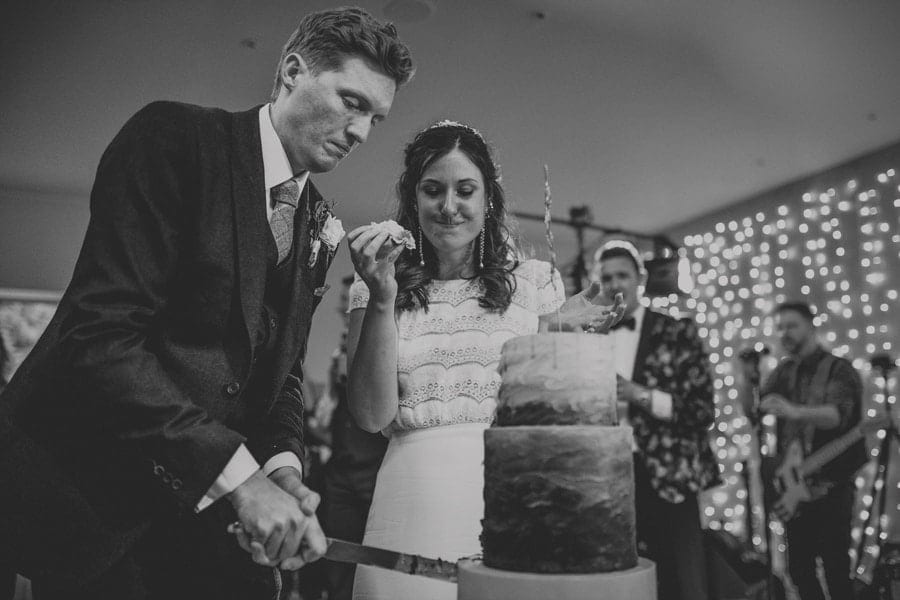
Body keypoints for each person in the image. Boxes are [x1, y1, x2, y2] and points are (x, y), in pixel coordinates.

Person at [0, 8, 414, 599]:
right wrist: (243, 481)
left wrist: (283, 473)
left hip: (208, 520)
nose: (362, 132)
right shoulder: (176, 140)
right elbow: (100, 338)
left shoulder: (318, 222)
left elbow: (281, 377)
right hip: (94, 500)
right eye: (352, 101)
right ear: (292, 72)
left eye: (376, 117)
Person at [345, 121, 625, 600]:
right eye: (432, 190)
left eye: (465, 190)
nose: (448, 206)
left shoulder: (534, 283)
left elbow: (548, 415)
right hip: (411, 501)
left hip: (515, 496)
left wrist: (552, 332)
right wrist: (381, 297)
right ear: (413, 200)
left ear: (488, 199)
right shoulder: (376, 285)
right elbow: (372, 416)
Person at [594, 241, 719, 600]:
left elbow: (701, 410)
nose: (615, 283)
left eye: (622, 275)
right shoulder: (590, 337)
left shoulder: (678, 332)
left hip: (669, 474)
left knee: (681, 577)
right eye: (607, 277)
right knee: (621, 576)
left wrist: (639, 395)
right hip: (607, 474)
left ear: (640, 279)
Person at [758, 301, 865, 600]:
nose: (784, 333)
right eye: (780, 327)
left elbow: (836, 416)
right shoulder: (784, 371)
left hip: (831, 486)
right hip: (794, 487)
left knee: (835, 570)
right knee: (799, 571)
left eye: (792, 325)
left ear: (811, 325)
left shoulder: (839, 370)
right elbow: (757, 407)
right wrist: (744, 377)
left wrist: (795, 411)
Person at [318, 275, 389, 600]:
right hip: (339, 474)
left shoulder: (380, 339)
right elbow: (328, 415)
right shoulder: (338, 351)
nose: (347, 307)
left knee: (373, 571)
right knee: (336, 569)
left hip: (374, 472)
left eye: (352, 299)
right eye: (346, 301)